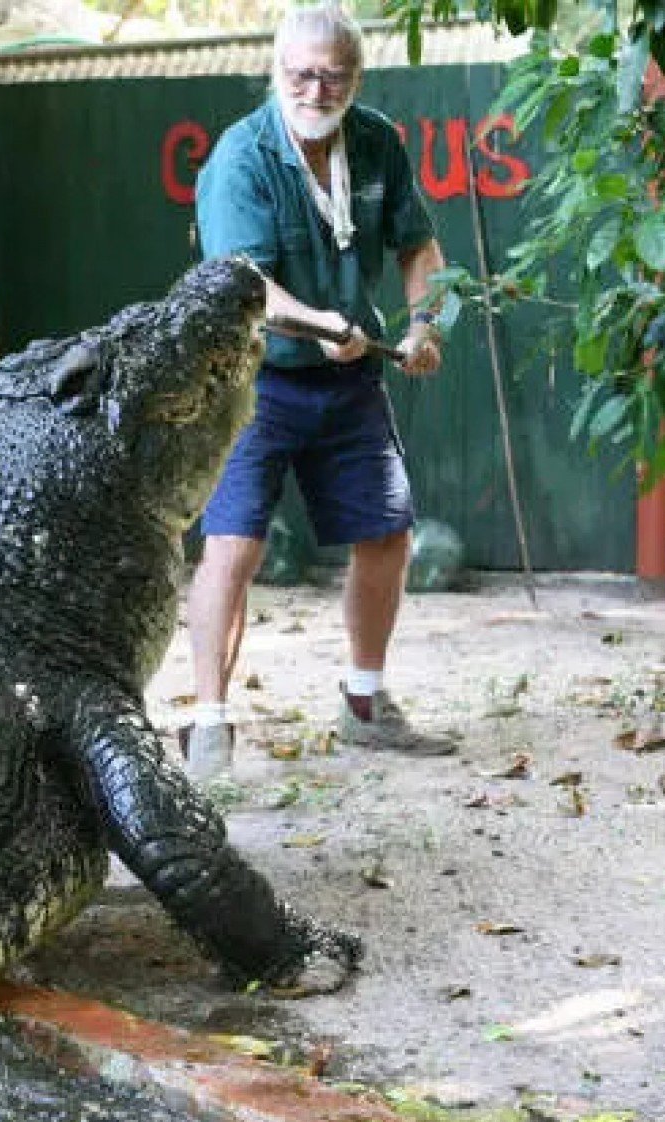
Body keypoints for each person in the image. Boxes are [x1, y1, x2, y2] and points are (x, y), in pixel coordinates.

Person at [181, 3, 456, 777]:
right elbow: (246, 287)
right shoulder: (242, 157)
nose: (316, 87)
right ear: (278, 71)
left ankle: (365, 702)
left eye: (333, 74)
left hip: (351, 375)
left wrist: (425, 323)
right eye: (302, 73)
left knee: (388, 533)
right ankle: (209, 723)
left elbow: (419, 245)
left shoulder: (376, 142)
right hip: (252, 379)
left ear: (355, 78)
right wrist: (325, 325)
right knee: (232, 545)